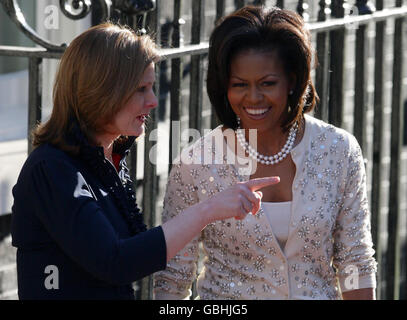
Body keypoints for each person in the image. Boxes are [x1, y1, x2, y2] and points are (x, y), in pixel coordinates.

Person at [10, 22, 280, 300]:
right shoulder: (52, 169)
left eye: (151, 87)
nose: (152, 100)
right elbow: (116, 261)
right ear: (101, 91)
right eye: (141, 89)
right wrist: (208, 210)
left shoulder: (106, 158)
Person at [153, 5, 377, 300]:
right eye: (239, 85)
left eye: (267, 83)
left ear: (293, 80)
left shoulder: (339, 150)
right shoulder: (195, 164)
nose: (253, 97)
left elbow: (355, 261)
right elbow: (172, 281)